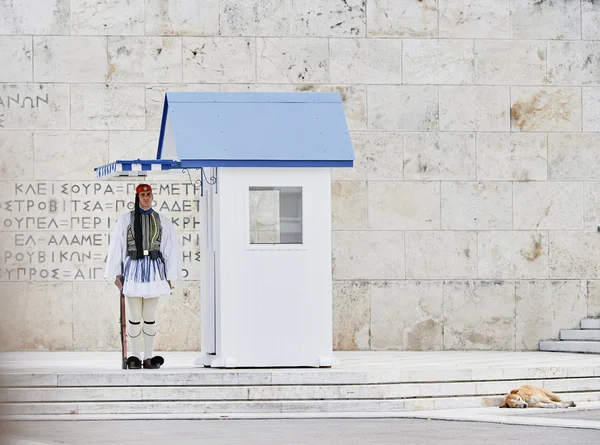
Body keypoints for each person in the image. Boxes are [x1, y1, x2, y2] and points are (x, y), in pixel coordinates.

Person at [106, 183, 181, 369]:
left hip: (154, 270)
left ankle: (148, 357)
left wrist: (169, 275)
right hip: (133, 270)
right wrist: (116, 273)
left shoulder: (162, 220)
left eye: (148, 194)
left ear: (152, 196)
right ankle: (134, 356)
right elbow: (117, 246)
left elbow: (169, 249)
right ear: (137, 197)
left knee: (149, 315)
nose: (146, 198)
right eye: (142, 195)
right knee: (134, 315)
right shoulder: (126, 220)